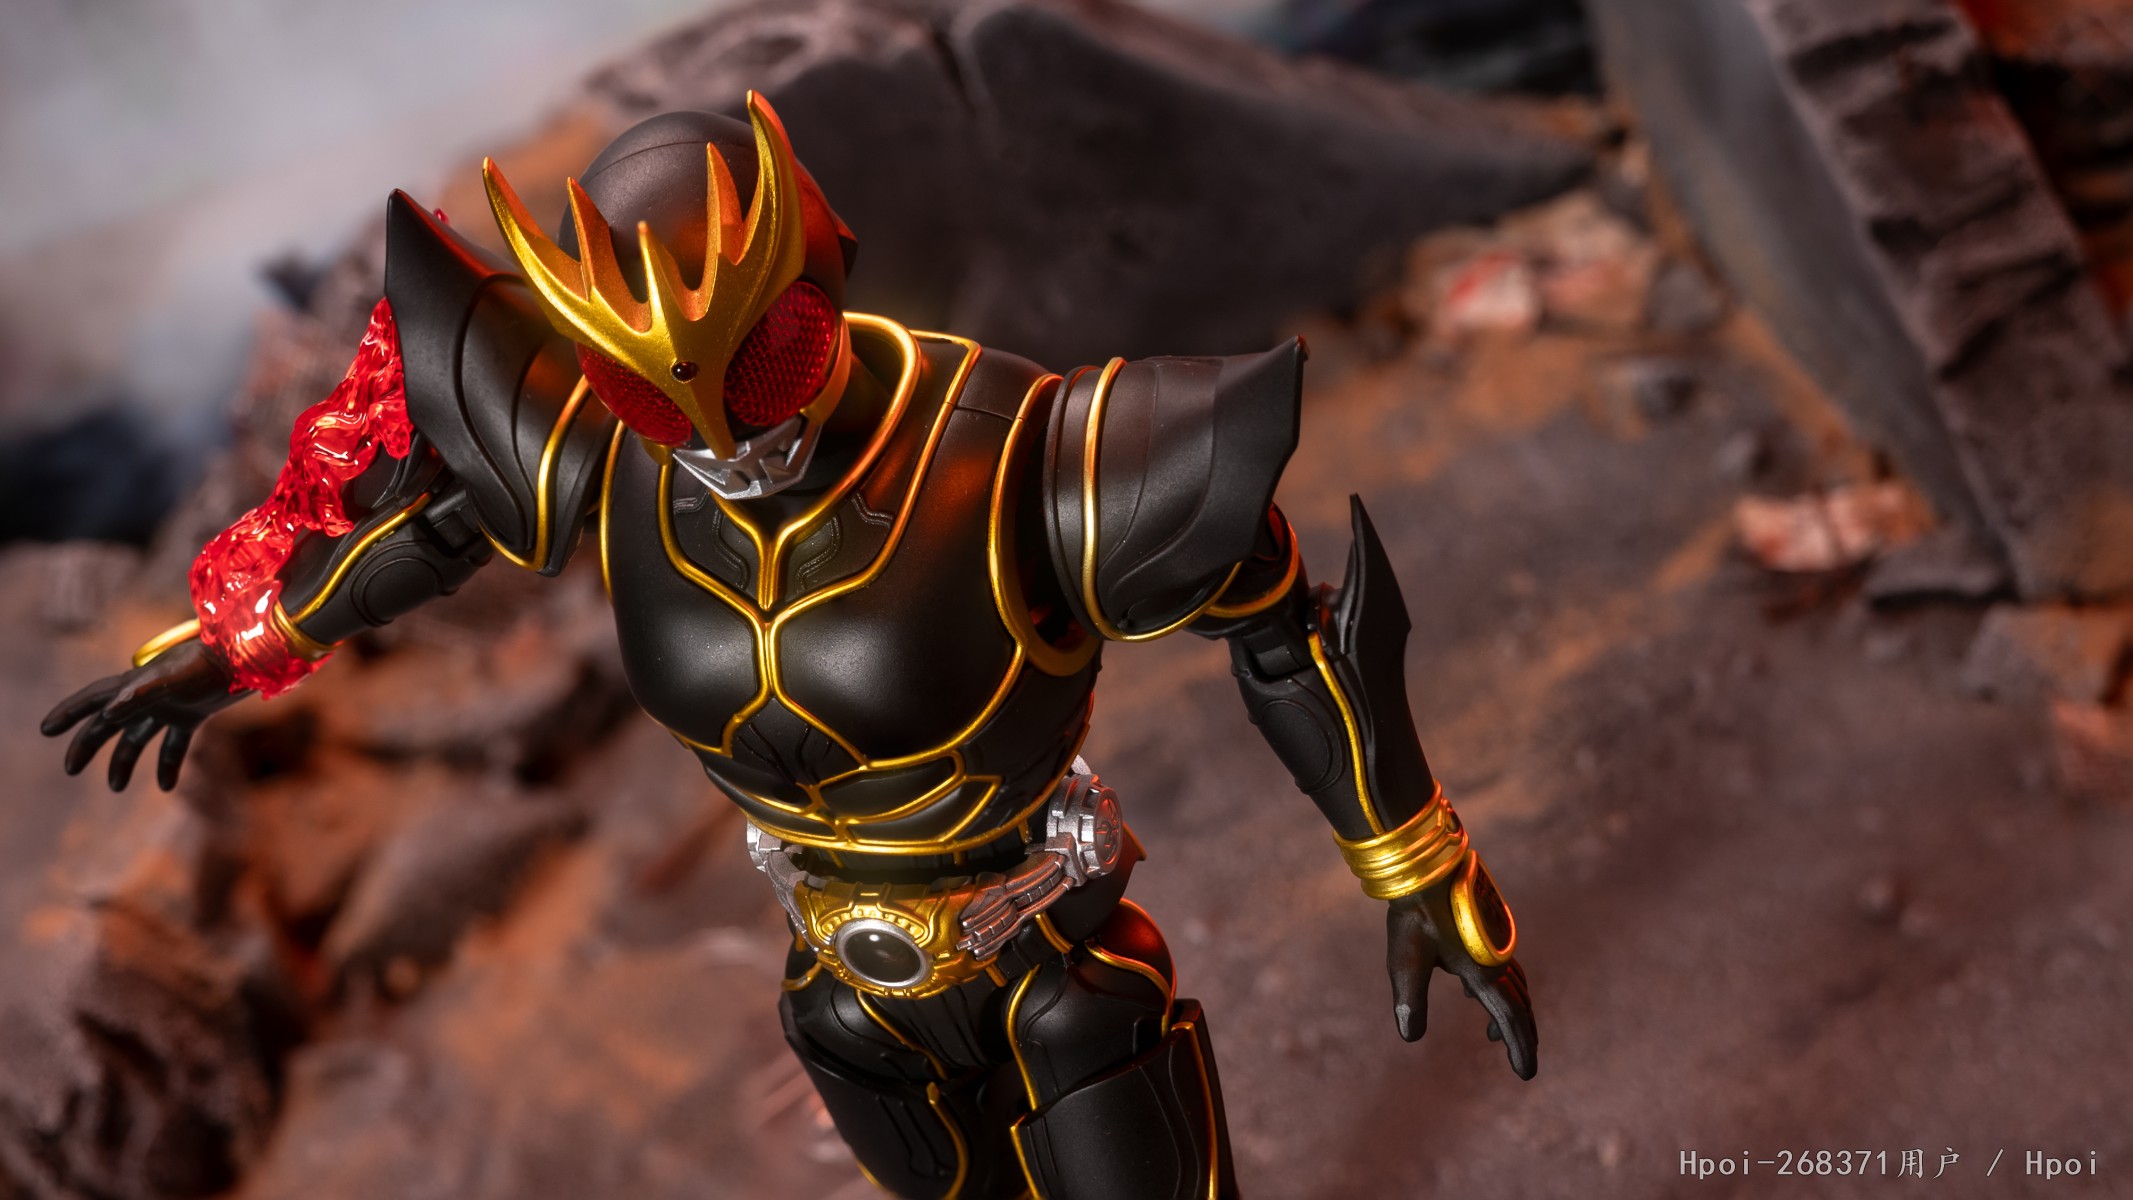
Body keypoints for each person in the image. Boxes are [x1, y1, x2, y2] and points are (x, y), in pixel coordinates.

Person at [44, 92, 1535, 1199]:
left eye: (762, 367)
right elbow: (438, 527)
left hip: (1053, 963)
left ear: (816, 286)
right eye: (658, 400)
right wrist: (241, 638)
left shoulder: (1023, 453)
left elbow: (1281, 620)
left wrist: (1418, 864)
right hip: (843, 994)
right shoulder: (612, 458)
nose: (726, 439)